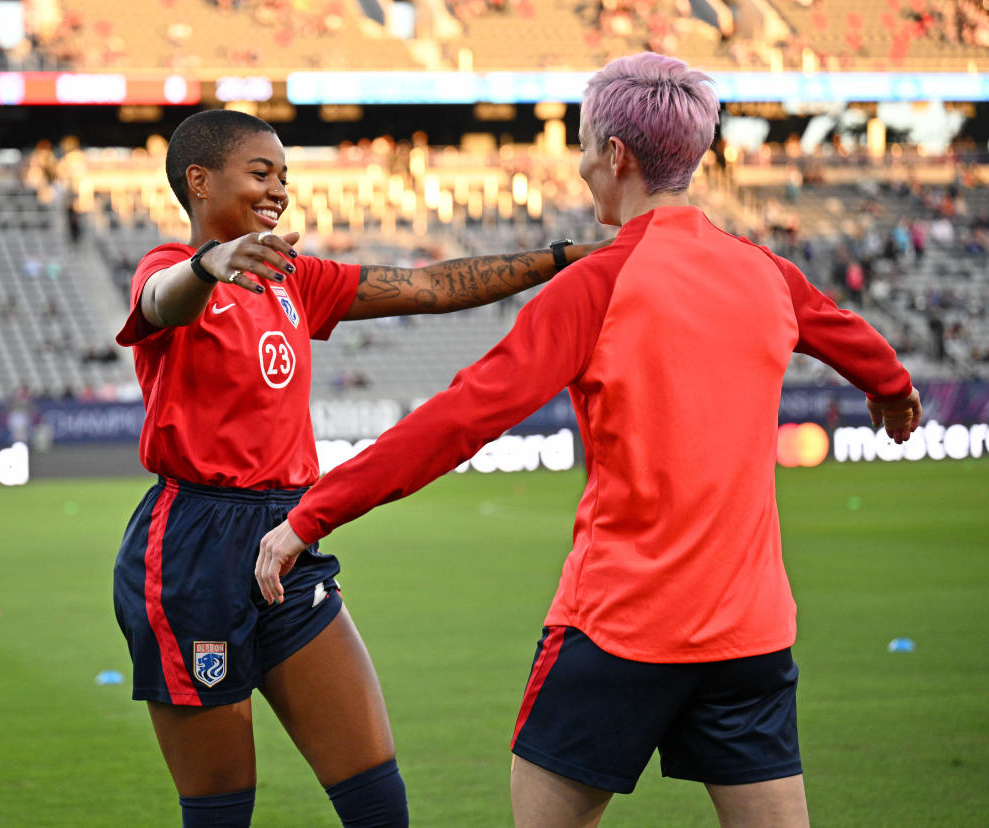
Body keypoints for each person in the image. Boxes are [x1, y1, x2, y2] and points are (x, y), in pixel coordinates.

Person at [256, 53, 923, 828]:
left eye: (581, 147)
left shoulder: (598, 285)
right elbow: (853, 337)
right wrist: (893, 390)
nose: (578, 168)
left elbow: (460, 418)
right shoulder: (766, 273)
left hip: (620, 627)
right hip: (750, 632)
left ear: (616, 155)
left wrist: (311, 515)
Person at [112, 108, 605, 828]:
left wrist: (561, 260)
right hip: (191, 550)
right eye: (261, 172)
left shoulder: (294, 280)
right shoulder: (165, 270)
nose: (279, 188)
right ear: (199, 180)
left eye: (284, 175)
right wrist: (206, 265)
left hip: (288, 534)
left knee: (377, 800)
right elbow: (163, 302)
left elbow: (431, 288)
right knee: (220, 812)